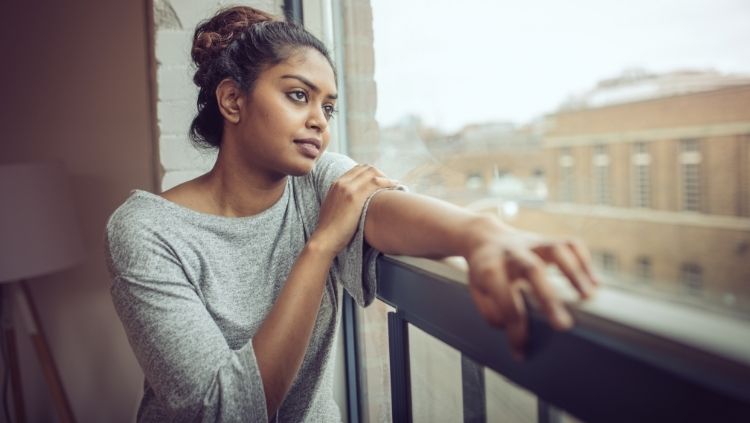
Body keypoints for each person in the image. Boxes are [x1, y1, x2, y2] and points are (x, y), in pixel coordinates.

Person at [105, 5, 598, 423]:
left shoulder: (318, 179)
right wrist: (320, 246)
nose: (318, 119)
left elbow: (387, 208)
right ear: (233, 100)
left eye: (329, 106)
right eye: (298, 95)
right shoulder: (147, 231)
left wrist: (482, 234)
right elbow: (227, 411)